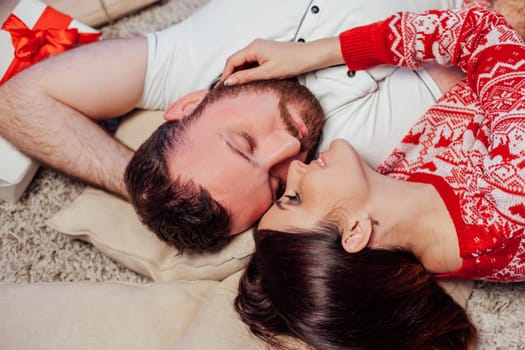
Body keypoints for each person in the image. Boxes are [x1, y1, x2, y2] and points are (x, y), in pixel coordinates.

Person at [0, 0, 465, 252]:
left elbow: (17, 100)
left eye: (244, 143)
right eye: (276, 182)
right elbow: (485, 40)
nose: (290, 147)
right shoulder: (355, 153)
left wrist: (142, 192)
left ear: (189, 105)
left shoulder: (184, 63)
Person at [234, 6, 525, 350]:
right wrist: (312, 54)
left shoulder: (400, 198)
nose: (296, 169)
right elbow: (481, 31)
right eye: (295, 197)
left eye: (284, 190)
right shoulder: (509, 199)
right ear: (355, 231)